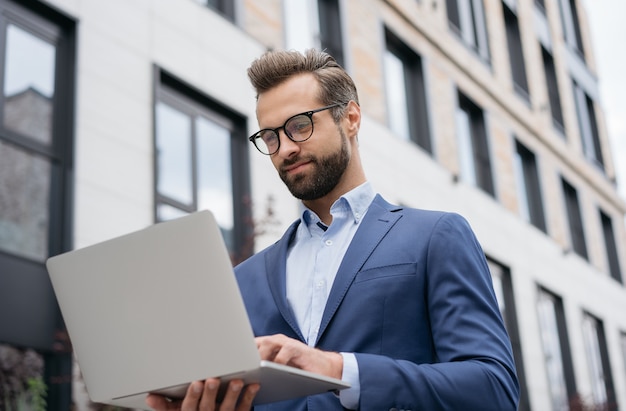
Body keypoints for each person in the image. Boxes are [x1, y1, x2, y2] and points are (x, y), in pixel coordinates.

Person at [147, 49, 519, 411]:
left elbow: (493, 388)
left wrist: (341, 370)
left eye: (299, 126)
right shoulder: (244, 280)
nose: (285, 149)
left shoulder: (436, 236)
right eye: (271, 137)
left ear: (351, 118)